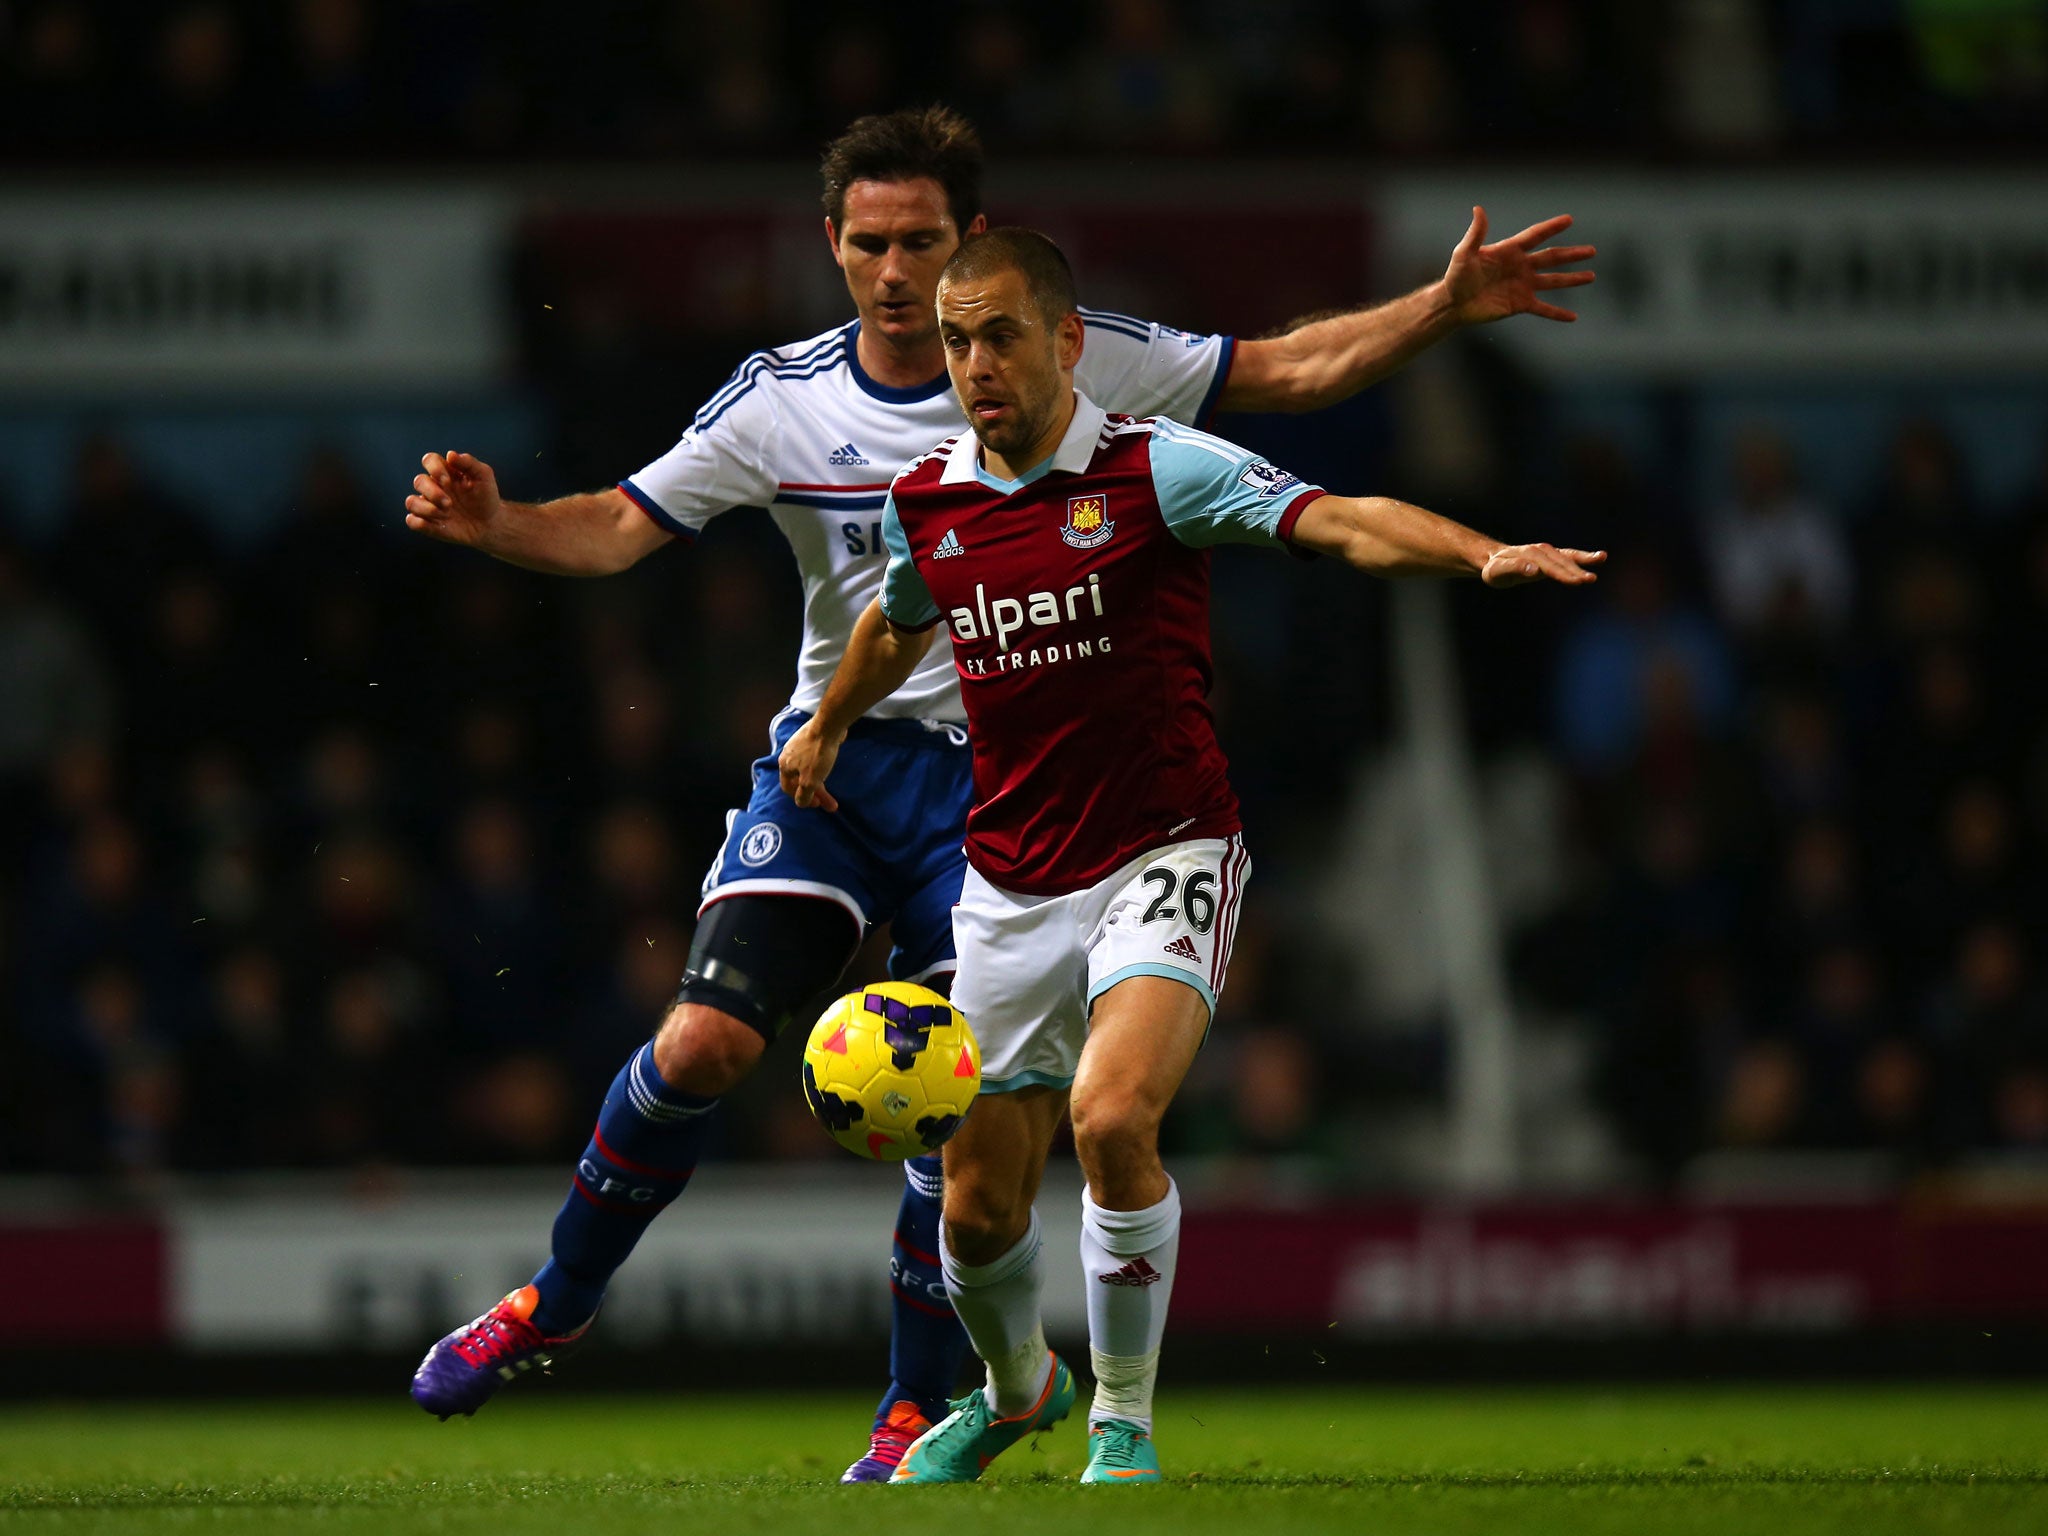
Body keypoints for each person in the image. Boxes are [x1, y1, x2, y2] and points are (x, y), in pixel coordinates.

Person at [402, 107, 1595, 1480]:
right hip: (844, 773)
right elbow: (621, 524)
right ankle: (553, 1301)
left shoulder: (1092, 362)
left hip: (1016, 789)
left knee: (954, 1113)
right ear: (832, 250)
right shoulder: (783, 399)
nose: (898, 273)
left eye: (922, 241)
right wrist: (500, 525)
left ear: (975, 250)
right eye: (870, 245)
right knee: (707, 1046)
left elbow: (1287, 373)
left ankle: (924, 1402)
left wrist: (1437, 313)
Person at [777, 227, 1601, 1485]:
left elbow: (1339, 522)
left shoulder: (1155, 469)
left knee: (1111, 1120)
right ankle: (1013, 1392)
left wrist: (1472, 550)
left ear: (1063, 341)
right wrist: (830, 720)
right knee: (976, 1206)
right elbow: (894, 623)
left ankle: (1121, 1417)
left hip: (1165, 852)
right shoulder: (926, 500)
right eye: (954, 340)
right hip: (1007, 883)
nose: (973, 361)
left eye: (998, 333)